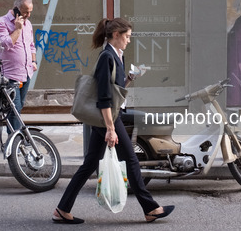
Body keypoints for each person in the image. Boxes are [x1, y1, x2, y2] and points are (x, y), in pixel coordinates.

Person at [52, 17, 174, 224]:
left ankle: (62, 210)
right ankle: (150, 208)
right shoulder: (106, 58)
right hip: (107, 118)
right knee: (132, 160)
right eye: (126, 37)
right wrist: (110, 128)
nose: (128, 40)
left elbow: (114, 89)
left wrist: (129, 78)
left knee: (90, 164)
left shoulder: (117, 56)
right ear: (116, 35)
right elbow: (104, 97)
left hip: (107, 116)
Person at [0, 0, 37, 130]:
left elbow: (31, 45)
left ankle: (14, 140)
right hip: (10, 76)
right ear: (16, 9)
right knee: (13, 109)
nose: (28, 15)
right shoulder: (1, 23)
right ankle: (16, 142)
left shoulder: (28, 24)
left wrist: (33, 61)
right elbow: (5, 44)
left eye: (30, 12)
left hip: (26, 72)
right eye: (25, 12)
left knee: (18, 107)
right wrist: (17, 29)